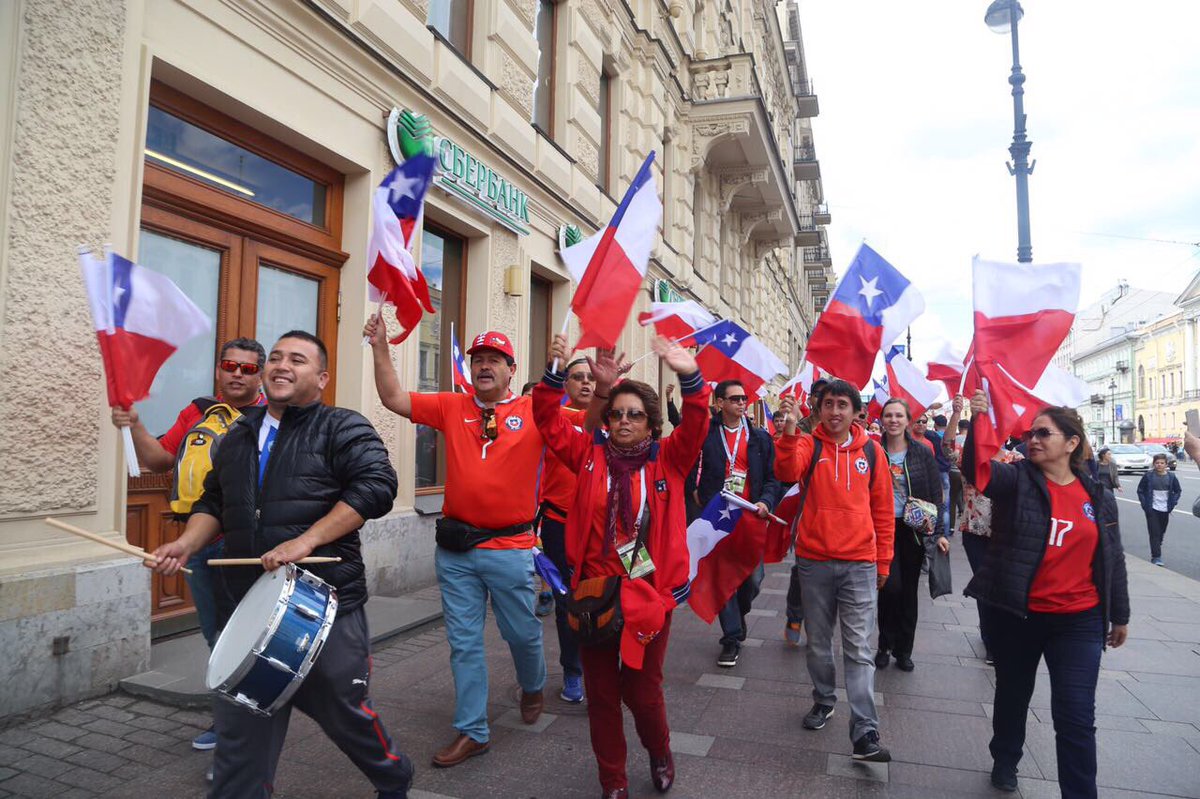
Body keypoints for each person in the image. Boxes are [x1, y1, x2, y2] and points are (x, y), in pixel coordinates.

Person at [150, 331, 412, 799]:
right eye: (274, 357)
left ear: (322, 378)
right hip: (246, 606)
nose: (281, 365)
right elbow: (213, 501)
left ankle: (393, 777)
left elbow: (377, 485)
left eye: (297, 359)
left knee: (343, 710)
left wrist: (306, 540)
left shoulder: (341, 426)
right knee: (240, 735)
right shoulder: (236, 435)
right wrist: (186, 543)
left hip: (324, 604)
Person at [534, 333, 708, 799]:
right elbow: (546, 419)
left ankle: (660, 750)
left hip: (649, 595)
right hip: (595, 594)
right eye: (616, 414)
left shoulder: (668, 461)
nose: (624, 421)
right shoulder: (588, 455)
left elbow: (697, 420)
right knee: (603, 696)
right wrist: (555, 371)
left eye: (635, 414)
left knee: (642, 692)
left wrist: (690, 376)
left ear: (651, 423)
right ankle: (613, 779)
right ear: (607, 420)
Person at [366, 318, 546, 767]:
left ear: (511, 369)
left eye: (494, 360)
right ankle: (473, 731)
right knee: (464, 643)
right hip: (456, 550)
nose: (484, 366)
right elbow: (393, 398)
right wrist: (380, 346)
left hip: (510, 549)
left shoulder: (535, 410)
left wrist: (600, 389)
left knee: (521, 633)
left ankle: (534, 684)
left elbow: (592, 425)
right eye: (478, 359)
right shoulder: (452, 405)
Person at [962, 392, 1129, 796]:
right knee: (1013, 695)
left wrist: (1120, 614)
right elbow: (976, 470)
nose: (1033, 440)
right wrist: (979, 419)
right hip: (1019, 614)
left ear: (1071, 443)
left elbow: (1112, 557)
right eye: (1030, 434)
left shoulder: (1098, 496)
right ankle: (1005, 758)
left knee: (1076, 715)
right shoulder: (1016, 480)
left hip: (1079, 620)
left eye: (1043, 434)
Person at [112, 336, 266, 753]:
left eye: (248, 368)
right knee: (217, 635)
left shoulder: (272, 417)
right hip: (198, 543)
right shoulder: (198, 412)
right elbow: (160, 459)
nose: (237, 374)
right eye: (230, 366)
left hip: (248, 546)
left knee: (249, 634)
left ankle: (248, 721)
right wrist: (134, 424)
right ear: (218, 370)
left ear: (261, 375)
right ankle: (230, 717)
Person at [775, 380, 894, 763]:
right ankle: (824, 699)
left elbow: (882, 510)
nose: (835, 411)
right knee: (819, 643)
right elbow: (786, 470)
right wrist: (790, 428)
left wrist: (883, 561)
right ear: (819, 409)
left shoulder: (872, 452)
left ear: (857, 411)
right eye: (828, 404)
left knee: (858, 648)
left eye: (843, 404)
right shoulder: (809, 444)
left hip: (860, 563)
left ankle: (865, 732)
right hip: (815, 561)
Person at [691, 380, 782, 668]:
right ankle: (730, 637)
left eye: (744, 398)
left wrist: (766, 501)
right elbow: (690, 469)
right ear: (719, 403)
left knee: (753, 579)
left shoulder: (759, 438)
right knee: (722, 577)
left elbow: (773, 478)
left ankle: (739, 613)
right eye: (735, 399)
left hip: (751, 517)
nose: (742, 403)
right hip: (718, 518)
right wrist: (696, 495)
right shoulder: (705, 435)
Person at [537, 356, 596, 702]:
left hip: (599, 527)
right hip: (558, 524)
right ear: (566, 384)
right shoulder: (554, 418)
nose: (586, 382)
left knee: (601, 598)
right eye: (577, 377)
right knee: (566, 601)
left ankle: (601, 670)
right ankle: (573, 671)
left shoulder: (610, 418)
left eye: (591, 377)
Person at [876, 398, 947, 672]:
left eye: (899, 415)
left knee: (908, 591)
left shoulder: (921, 452)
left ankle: (903, 650)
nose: (893, 420)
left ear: (908, 420)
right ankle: (884, 644)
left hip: (913, 530)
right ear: (882, 419)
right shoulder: (873, 449)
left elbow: (935, 494)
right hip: (881, 528)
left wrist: (939, 533)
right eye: (888, 415)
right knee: (889, 587)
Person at [782, 377, 829, 647]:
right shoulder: (801, 426)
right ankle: (794, 616)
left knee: (829, 573)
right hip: (806, 508)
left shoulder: (840, 428)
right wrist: (790, 425)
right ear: (811, 399)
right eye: (818, 394)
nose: (823, 400)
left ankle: (818, 623)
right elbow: (787, 465)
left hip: (835, 513)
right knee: (802, 569)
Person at [1136, 454, 1181, 567]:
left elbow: (1178, 491)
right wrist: (1145, 505)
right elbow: (1140, 490)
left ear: (1166, 464)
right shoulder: (1148, 476)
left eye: (1162, 463)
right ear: (1153, 464)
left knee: (1161, 531)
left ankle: (1157, 544)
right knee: (1154, 533)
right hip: (1152, 508)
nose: (1159, 465)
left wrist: (1173, 502)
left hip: (1165, 509)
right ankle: (1156, 557)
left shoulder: (1171, 477)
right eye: (1157, 463)